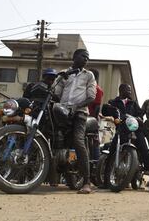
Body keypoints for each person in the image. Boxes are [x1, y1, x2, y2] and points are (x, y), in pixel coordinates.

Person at [54, 49, 97, 194]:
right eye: (83, 56)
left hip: (80, 113)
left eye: (87, 58)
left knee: (78, 141)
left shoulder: (89, 75)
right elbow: (56, 94)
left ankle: (87, 182)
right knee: (53, 136)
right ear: (74, 57)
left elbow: (91, 97)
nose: (86, 59)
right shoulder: (64, 74)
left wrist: (76, 106)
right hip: (62, 112)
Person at [103, 84, 149, 191]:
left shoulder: (133, 103)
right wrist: (113, 115)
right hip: (121, 130)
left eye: (130, 90)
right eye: (128, 90)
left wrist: (139, 118)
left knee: (145, 151)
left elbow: (140, 114)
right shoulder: (113, 102)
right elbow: (106, 111)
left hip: (135, 130)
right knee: (112, 151)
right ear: (121, 90)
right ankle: (105, 180)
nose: (130, 92)